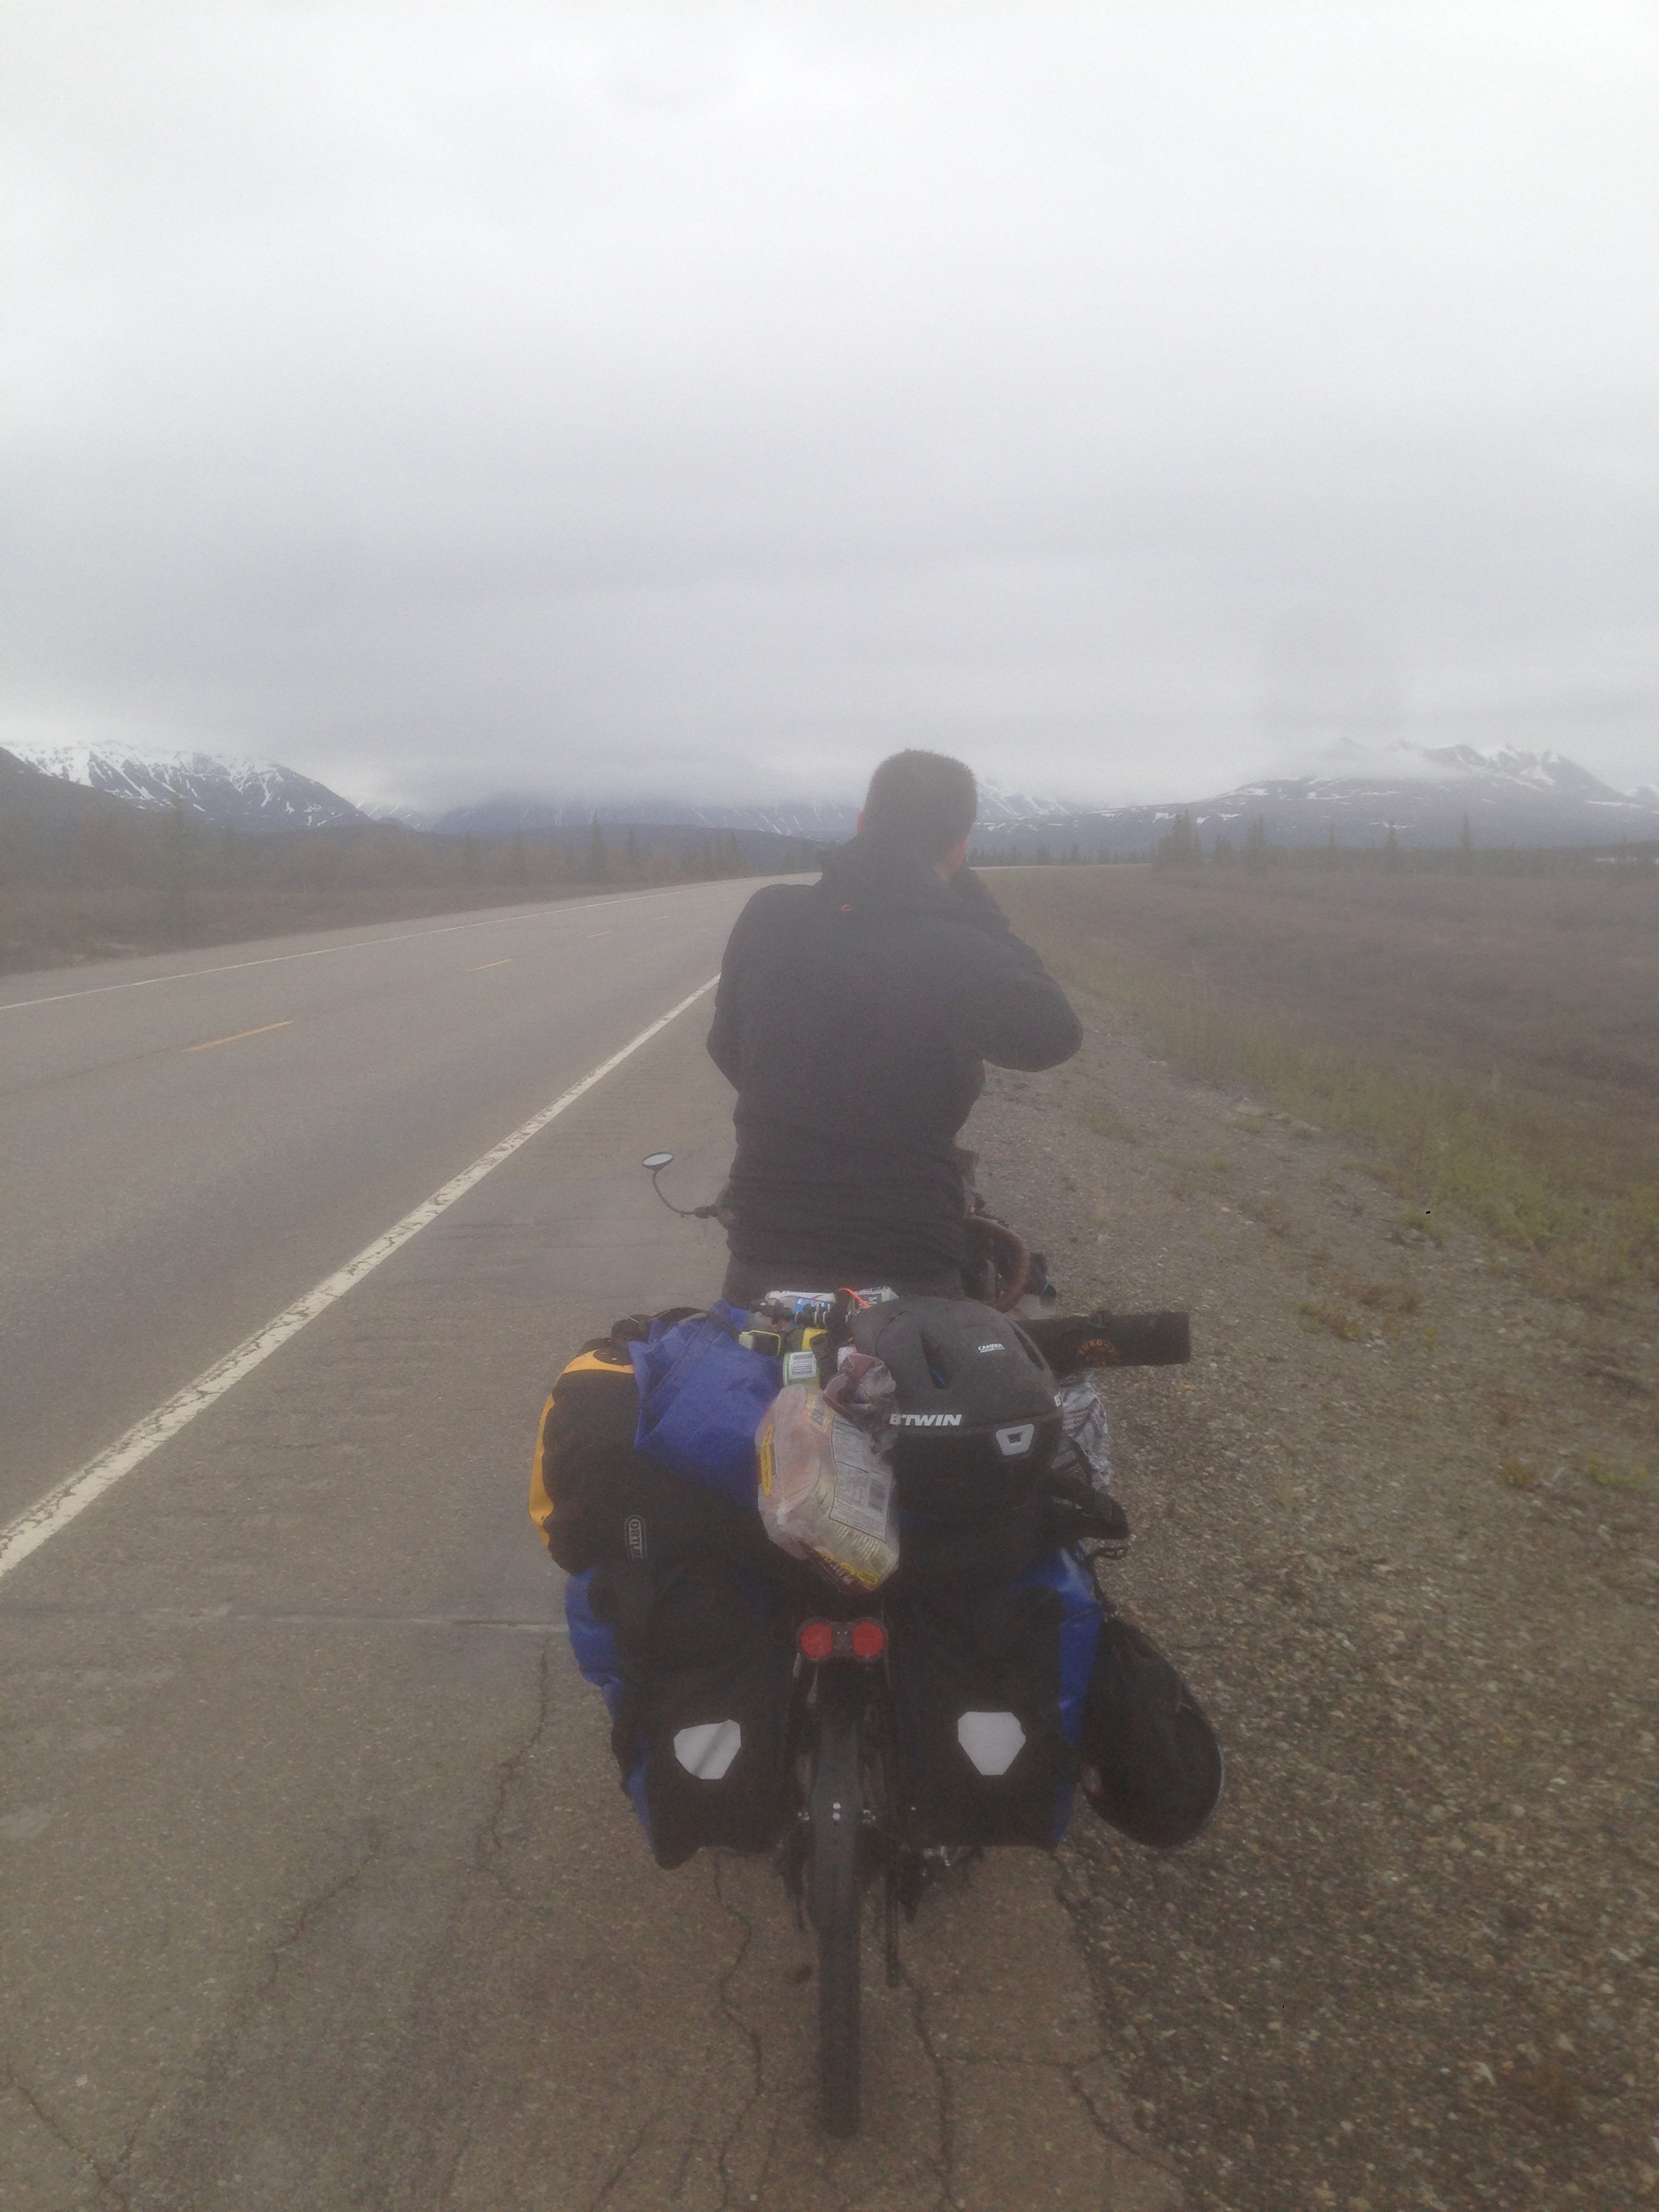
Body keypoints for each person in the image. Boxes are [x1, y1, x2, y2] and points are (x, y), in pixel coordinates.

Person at [708, 749, 1083, 1307]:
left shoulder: (769, 914)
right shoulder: (958, 946)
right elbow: (1055, 1036)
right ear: (959, 847)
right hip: (907, 1257)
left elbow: (725, 1045)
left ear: (863, 824)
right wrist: (972, 905)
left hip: (763, 1247)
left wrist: (808, 1103)